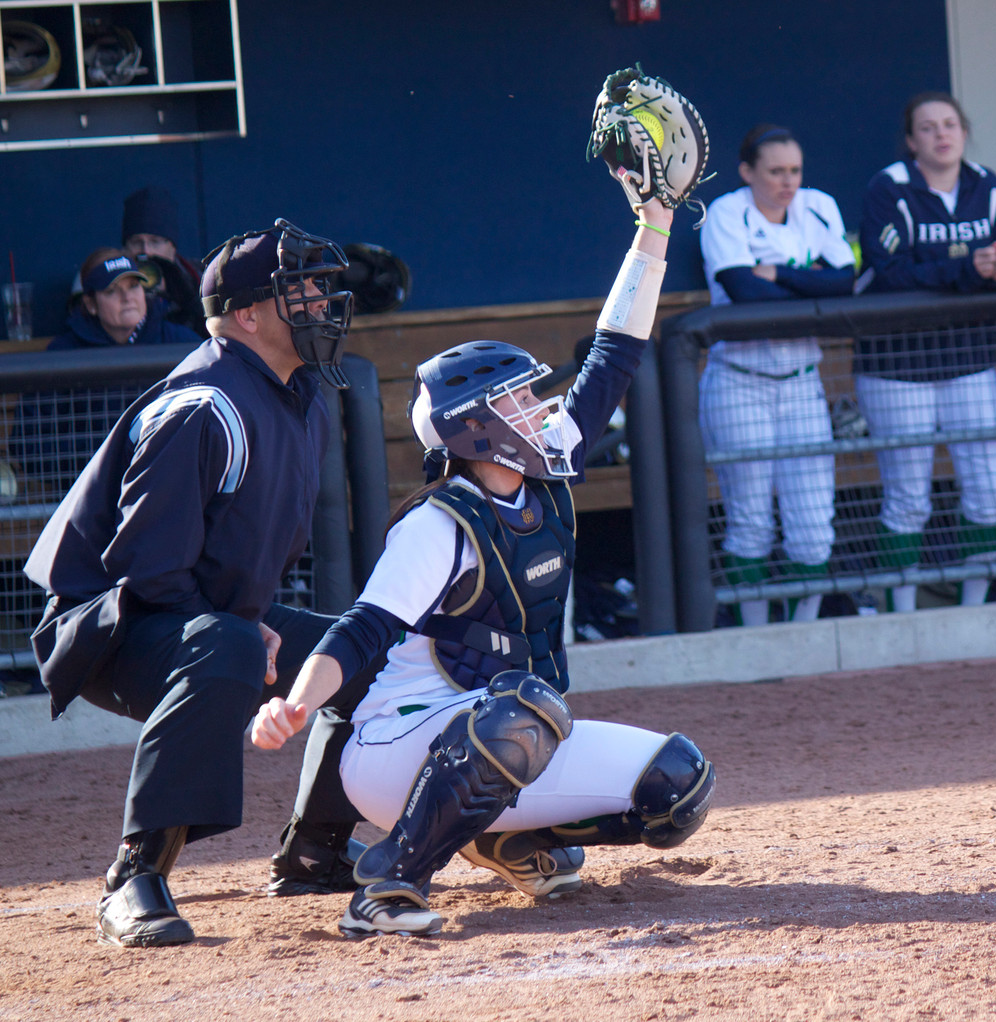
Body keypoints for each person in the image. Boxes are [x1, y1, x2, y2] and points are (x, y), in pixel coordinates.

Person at [251, 188, 715, 939]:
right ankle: (389, 883)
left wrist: (654, 224)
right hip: (394, 750)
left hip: (498, 730)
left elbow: (615, 352)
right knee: (527, 711)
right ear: (477, 432)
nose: (541, 407)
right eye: (521, 401)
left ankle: (499, 836)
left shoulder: (548, 467)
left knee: (678, 784)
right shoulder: (439, 523)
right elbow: (359, 633)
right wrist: (297, 705)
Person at [22, 218, 364, 948]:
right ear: (246, 315)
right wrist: (245, 627)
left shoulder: (300, 397)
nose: (317, 303)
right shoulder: (202, 404)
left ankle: (315, 850)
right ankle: (134, 878)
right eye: (296, 291)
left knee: (359, 650)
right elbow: (145, 574)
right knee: (230, 646)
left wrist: (251, 620)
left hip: (197, 611)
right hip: (107, 625)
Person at [856, 92, 996, 612]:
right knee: (908, 499)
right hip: (898, 369)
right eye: (928, 128)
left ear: (964, 131)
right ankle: (900, 614)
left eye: (950, 124)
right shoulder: (890, 188)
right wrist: (969, 270)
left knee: (991, 489)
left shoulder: (986, 184)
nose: (941, 134)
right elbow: (890, 272)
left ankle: (974, 610)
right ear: (911, 141)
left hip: (970, 361)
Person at [698, 124, 856, 626]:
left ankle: (802, 632)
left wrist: (780, 273)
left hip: (801, 379)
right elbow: (743, 291)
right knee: (750, 523)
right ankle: (756, 636)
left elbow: (845, 281)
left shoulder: (818, 205)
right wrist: (808, 286)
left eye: (794, 171)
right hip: (738, 378)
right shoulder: (728, 210)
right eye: (775, 172)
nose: (787, 182)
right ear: (748, 172)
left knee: (812, 526)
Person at [9, 248, 202, 487]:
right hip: (94, 497)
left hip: (172, 488)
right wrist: (105, 458)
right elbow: (28, 444)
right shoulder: (62, 354)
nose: (127, 297)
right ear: (90, 304)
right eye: (111, 290)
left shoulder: (182, 342)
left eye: (134, 286)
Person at [121, 184, 207, 336]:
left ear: (172, 247)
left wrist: (187, 301)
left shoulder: (201, 277)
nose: (145, 251)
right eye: (136, 242)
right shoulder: (110, 278)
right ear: (125, 249)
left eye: (155, 242)